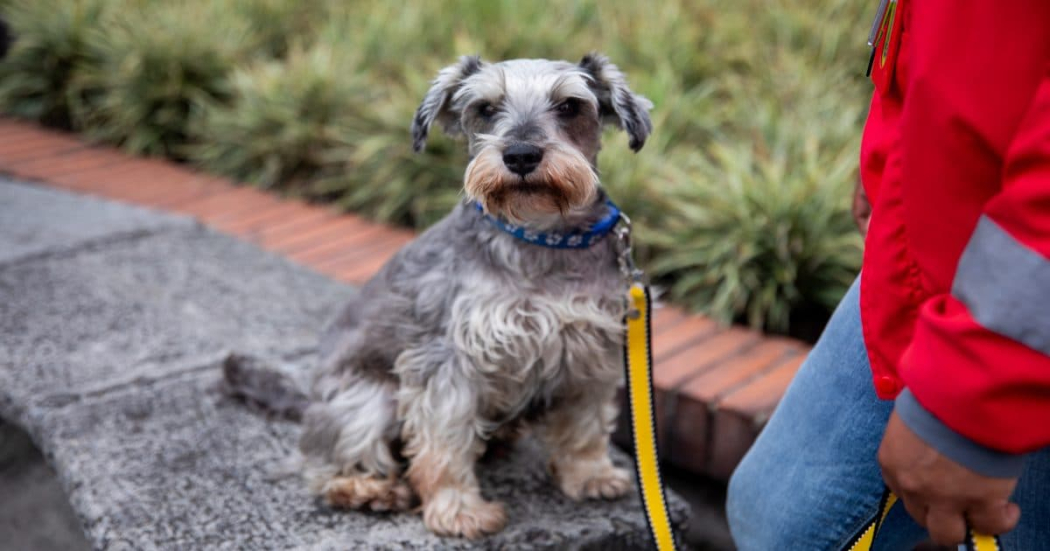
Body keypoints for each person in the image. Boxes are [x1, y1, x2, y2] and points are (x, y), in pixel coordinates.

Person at [726, 1, 1050, 548]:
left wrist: (981, 383)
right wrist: (899, 142)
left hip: (1020, 297)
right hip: (940, 247)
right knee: (775, 518)